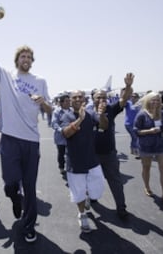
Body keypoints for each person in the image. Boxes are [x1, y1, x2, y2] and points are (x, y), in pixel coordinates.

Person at [0, 14, 52, 243]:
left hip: (31, 141)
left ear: (33, 60)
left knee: (30, 186)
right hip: (9, 139)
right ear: (17, 59)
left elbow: (50, 111)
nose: (26, 59)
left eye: (29, 56)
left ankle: (29, 226)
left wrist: (43, 102)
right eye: (23, 56)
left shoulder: (40, 80)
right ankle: (13, 197)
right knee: (10, 183)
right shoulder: (5, 77)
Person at [87, 73, 134, 219]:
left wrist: (127, 86)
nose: (102, 100)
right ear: (92, 99)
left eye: (104, 97)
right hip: (91, 155)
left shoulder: (111, 109)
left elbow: (124, 99)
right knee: (91, 181)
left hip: (109, 154)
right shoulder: (86, 113)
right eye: (98, 97)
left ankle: (121, 207)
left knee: (115, 181)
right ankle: (92, 198)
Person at [62, 90, 106, 233]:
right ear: (70, 100)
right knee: (78, 193)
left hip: (92, 160)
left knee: (96, 192)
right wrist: (79, 119)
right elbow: (66, 133)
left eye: (80, 97)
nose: (77, 99)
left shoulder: (92, 114)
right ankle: (82, 214)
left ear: (84, 99)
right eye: (74, 97)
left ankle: (87, 196)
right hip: (75, 163)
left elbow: (104, 126)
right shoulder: (66, 115)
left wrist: (101, 114)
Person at [134, 92, 163, 206]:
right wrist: (149, 131)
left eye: (158, 100)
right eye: (153, 100)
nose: (156, 102)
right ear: (147, 101)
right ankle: (147, 187)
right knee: (146, 168)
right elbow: (136, 131)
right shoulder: (142, 115)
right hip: (146, 146)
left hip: (161, 146)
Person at [51, 93, 71, 175]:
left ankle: (70, 167)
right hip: (61, 137)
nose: (68, 102)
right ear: (62, 103)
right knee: (61, 153)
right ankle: (62, 167)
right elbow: (54, 123)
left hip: (71, 135)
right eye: (66, 101)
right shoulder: (57, 112)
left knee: (71, 152)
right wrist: (61, 130)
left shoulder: (72, 110)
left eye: (69, 101)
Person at [124, 92, 141, 157]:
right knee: (136, 137)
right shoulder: (128, 103)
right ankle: (137, 152)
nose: (133, 98)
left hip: (137, 124)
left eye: (135, 97)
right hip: (128, 124)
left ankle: (132, 149)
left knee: (134, 137)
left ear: (138, 98)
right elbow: (123, 103)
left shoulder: (139, 104)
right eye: (132, 97)